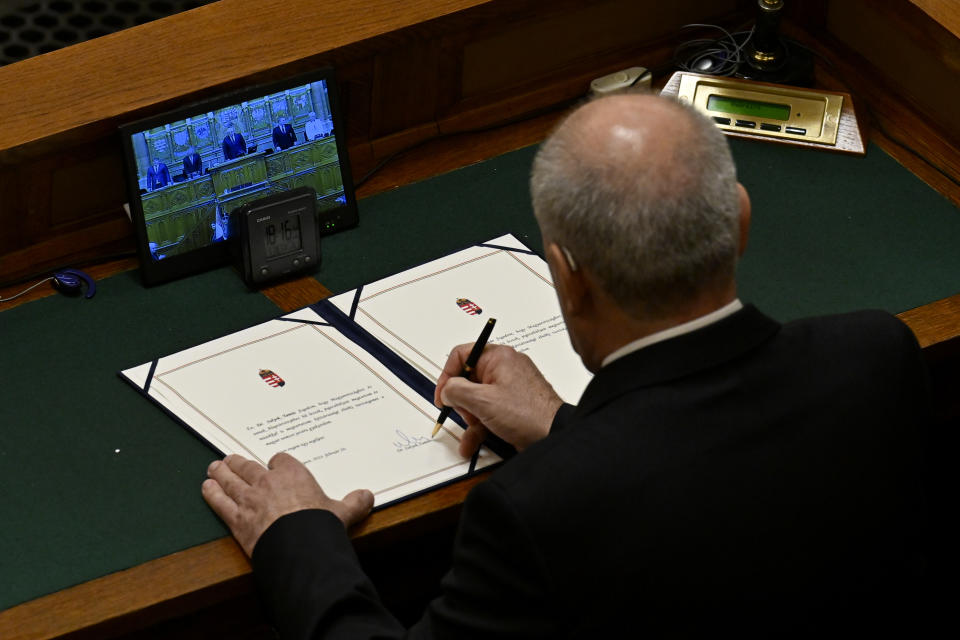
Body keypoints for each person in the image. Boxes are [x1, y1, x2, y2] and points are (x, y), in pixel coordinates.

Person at [201, 93, 929, 637]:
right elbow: (710, 483)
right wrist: (562, 427)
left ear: (568, 276)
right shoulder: (873, 358)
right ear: (739, 220)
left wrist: (297, 536)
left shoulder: (540, 508)